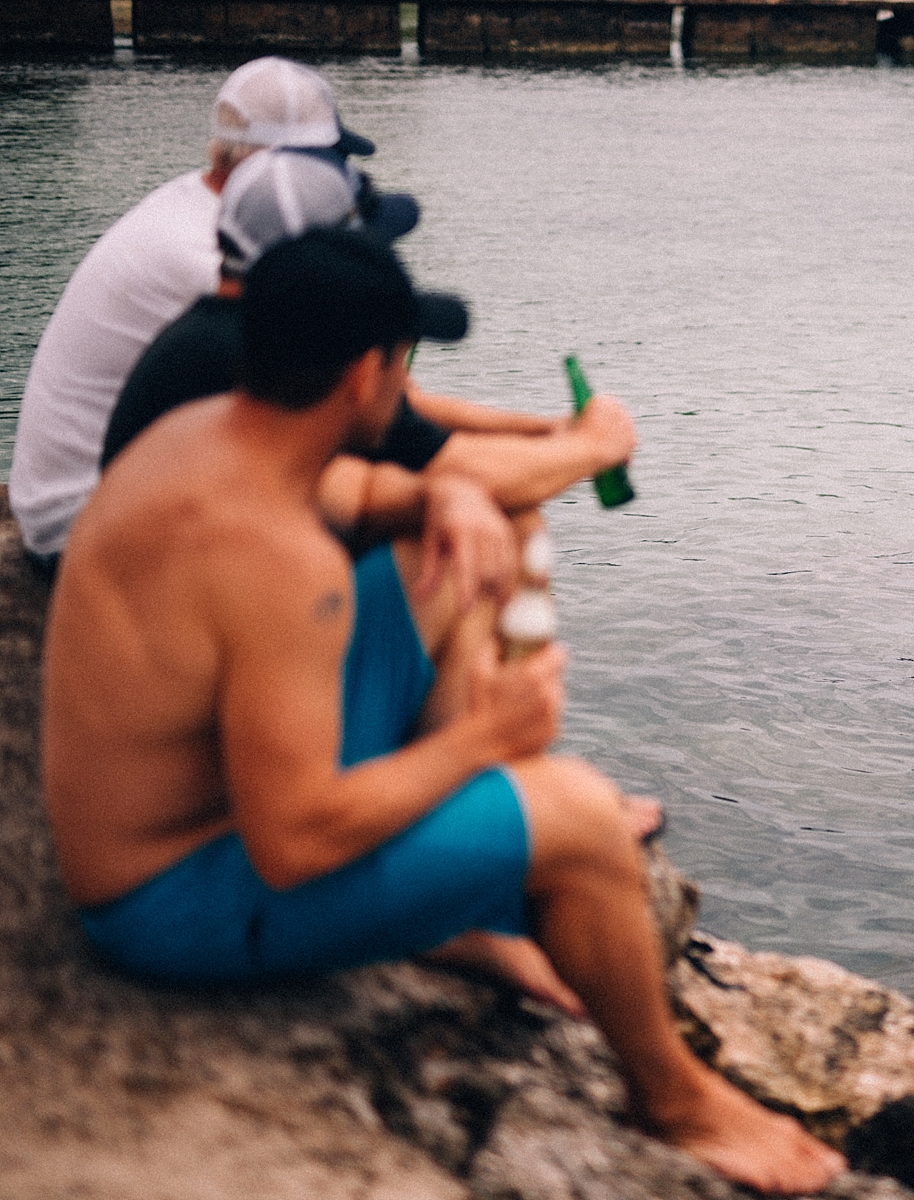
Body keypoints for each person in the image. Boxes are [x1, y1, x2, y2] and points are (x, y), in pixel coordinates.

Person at [40, 229, 844, 1194]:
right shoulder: (277, 565)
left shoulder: (208, 431)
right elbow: (291, 840)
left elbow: (351, 486)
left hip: (183, 815)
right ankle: (674, 1101)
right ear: (369, 374)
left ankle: (454, 900)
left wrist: (444, 495)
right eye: (404, 362)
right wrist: (486, 741)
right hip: (173, 902)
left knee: (461, 546)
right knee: (583, 818)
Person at [102, 148, 630, 524]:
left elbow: (371, 470)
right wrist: (595, 445)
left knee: (478, 522)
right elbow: (450, 458)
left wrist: (549, 435)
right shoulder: (248, 359)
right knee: (496, 530)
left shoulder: (233, 339)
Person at [10, 57, 379, 573]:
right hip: (78, 531)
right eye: (328, 161)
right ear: (277, 163)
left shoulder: (204, 211)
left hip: (87, 501)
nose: (339, 177)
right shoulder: (211, 258)